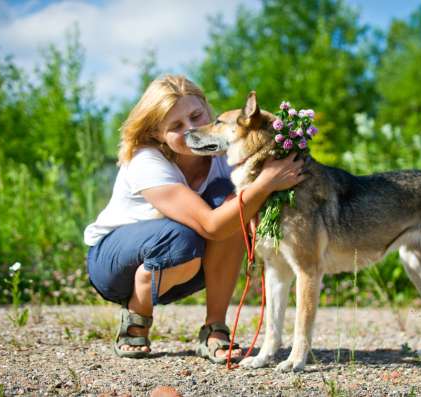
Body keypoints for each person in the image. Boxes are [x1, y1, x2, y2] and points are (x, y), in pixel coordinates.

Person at [83, 75, 305, 362]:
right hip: (114, 265)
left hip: (180, 262)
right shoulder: (146, 160)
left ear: (207, 108)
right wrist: (264, 184)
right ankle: (136, 317)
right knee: (185, 236)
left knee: (232, 203)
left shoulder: (224, 152)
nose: (190, 129)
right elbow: (211, 225)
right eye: (175, 126)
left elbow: (233, 214)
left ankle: (215, 329)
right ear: (157, 134)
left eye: (196, 115)